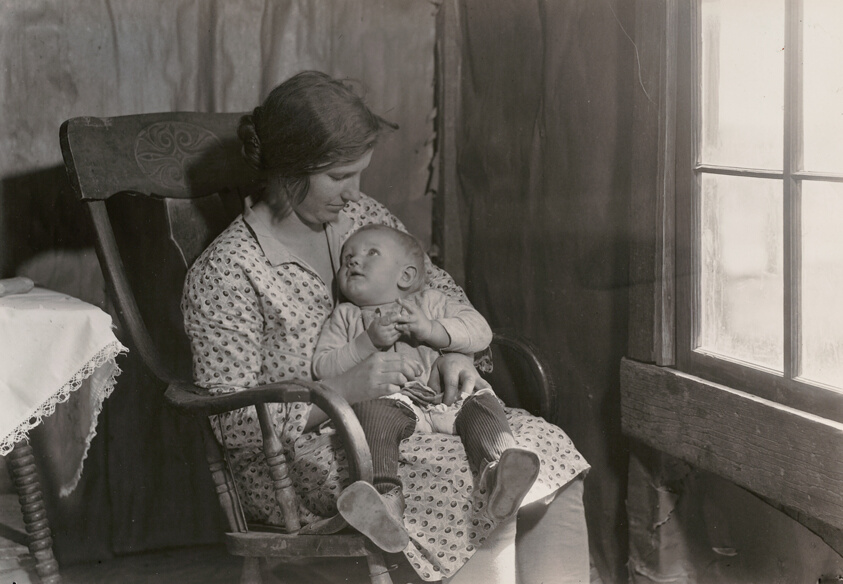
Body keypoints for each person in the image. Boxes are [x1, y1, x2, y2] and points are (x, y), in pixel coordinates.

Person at [181, 70, 590, 583]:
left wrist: (455, 351)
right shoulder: (228, 271)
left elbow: (439, 293)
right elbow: (234, 426)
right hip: (303, 452)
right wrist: (344, 388)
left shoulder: (362, 221)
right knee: (460, 485)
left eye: (359, 174)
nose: (355, 193)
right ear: (288, 169)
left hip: (421, 408)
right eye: (340, 176)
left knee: (541, 448)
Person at [311, 224, 541, 553]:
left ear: (405, 276)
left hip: (446, 401)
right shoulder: (345, 317)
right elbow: (323, 367)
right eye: (347, 257)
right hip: (394, 406)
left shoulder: (431, 302)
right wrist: (366, 342)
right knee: (370, 413)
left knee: (480, 400)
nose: (353, 261)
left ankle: (499, 475)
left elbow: (480, 331)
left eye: (369, 253)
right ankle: (386, 501)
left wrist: (432, 329)